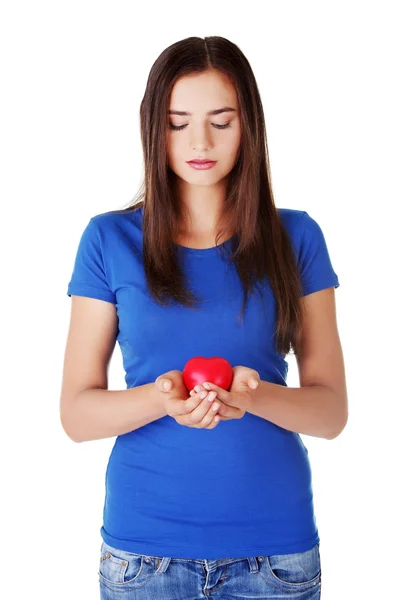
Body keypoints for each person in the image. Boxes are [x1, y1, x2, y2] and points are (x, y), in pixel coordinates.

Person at [60, 35, 347, 600]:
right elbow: (76, 414)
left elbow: (331, 411)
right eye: (177, 122)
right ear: (153, 128)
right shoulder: (108, 239)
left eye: (221, 121)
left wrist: (254, 395)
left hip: (276, 559)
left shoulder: (298, 237)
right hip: (144, 557)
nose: (199, 141)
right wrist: (160, 400)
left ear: (249, 127)